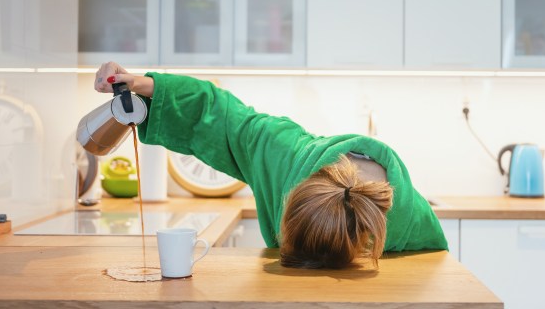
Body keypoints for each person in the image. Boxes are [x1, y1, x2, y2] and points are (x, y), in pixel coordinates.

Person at [94, 62, 447, 269]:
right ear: (289, 194)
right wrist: (147, 86)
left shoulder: (410, 221)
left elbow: (431, 276)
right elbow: (220, 115)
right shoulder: (281, 152)